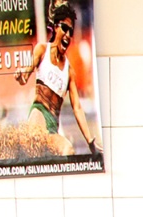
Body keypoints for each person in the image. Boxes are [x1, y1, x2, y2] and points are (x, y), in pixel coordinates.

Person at [14, 3, 101, 156]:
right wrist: (22, 75)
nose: (68, 34)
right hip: (38, 112)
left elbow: (77, 108)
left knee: (69, 150)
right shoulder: (42, 50)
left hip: (52, 126)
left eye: (71, 31)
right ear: (55, 27)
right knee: (35, 140)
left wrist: (89, 140)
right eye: (64, 29)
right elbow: (26, 74)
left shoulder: (69, 71)